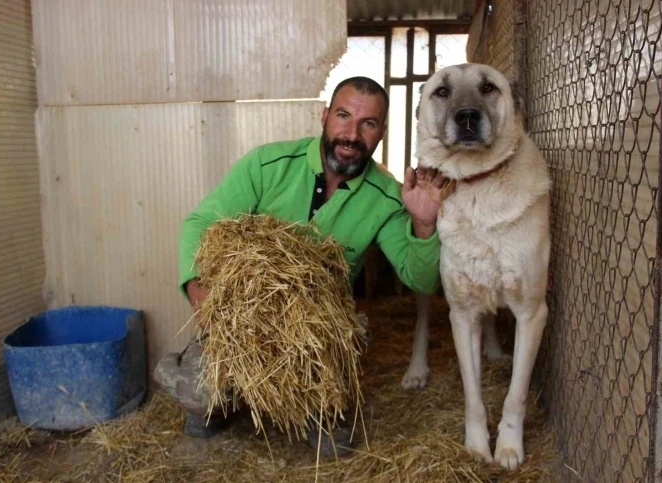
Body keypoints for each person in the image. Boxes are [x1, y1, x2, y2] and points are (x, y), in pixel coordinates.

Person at [154, 76, 446, 457]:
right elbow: (199, 223)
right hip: (244, 324)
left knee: (333, 444)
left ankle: (306, 407)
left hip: (315, 338)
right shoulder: (267, 164)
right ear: (324, 116)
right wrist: (200, 294)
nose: (351, 134)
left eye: (368, 123)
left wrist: (424, 225)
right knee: (200, 397)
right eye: (343, 116)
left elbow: (419, 279)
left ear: (381, 133)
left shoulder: (388, 197)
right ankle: (200, 383)